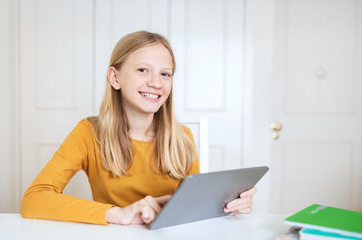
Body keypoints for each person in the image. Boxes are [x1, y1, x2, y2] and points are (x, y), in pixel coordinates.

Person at [20, 30, 257, 225]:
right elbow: (34, 200)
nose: (156, 83)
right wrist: (117, 213)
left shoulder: (182, 138)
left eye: (165, 74)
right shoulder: (88, 133)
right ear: (115, 78)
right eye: (143, 70)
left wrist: (228, 204)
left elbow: (193, 209)